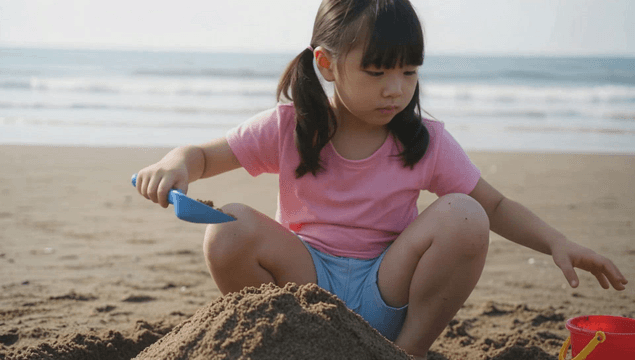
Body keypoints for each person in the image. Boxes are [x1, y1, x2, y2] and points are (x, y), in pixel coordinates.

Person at [134, 0, 628, 358]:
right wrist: (175, 165)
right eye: (376, 73)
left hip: (386, 287)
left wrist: (556, 242)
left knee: (465, 214)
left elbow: (494, 207)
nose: (396, 89)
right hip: (305, 290)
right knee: (228, 226)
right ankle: (285, 346)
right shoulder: (290, 127)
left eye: (409, 72)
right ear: (327, 64)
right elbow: (201, 155)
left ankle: (405, 354)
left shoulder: (424, 140)